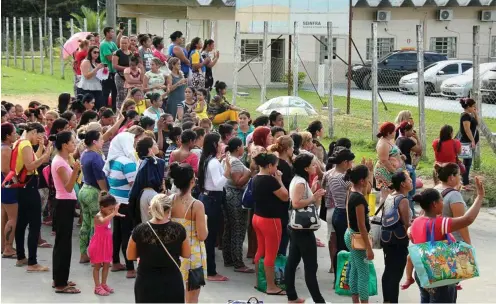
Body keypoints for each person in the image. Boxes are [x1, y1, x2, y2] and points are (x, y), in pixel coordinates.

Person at [409, 179, 484, 303]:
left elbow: (411, 234)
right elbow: (468, 219)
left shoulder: (416, 222)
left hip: (421, 272)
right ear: (434, 204)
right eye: (441, 201)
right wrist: (480, 197)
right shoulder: (438, 223)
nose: (443, 203)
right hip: (438, 273)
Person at [127, 194, 191, 303]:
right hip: (172, 280)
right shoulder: (179, 229)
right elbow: (186, 254)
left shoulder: (139, 230)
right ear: (169, 209)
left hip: (146, 281)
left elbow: (130, 256)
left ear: (151, 208)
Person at [285, 153, 327, 303]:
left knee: (292, 261)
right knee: (310, 266)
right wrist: (313, 197)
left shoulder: (300, 180)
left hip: (299, 227)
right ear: (306, 168)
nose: (316, 166)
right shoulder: (300, 182)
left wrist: (314, 194)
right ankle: (318, 300)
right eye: (313, 164)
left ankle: (292, 296)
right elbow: (296, 203)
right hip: (302, 229)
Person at [14, 122, 52, 271]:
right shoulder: (26, 145)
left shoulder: (19, 142)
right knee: (35, 224)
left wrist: (42, 149)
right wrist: (46, 156)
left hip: (23, 187)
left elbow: (32, 159)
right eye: (40, 136)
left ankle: (21, 257)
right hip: (29, 186)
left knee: (22, 222)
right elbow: (31, 166)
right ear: (34, 132)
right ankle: (32, 262)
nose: (39, 139)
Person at [251, 153, 289, 296]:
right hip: (270, 220)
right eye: (275, 165)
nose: (277, 168)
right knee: (271, 254)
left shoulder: (255, 178)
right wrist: (279, 180)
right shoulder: (270, 181)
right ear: (269, 166)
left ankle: (259, 282)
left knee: (260, 250)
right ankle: (271, 286)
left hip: (257, 217)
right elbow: (285, 197)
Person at [170, 163, 208, 303]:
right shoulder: (197, 205)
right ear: (192, 181)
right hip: (193, 254)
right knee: (192, 298)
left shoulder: (170, 200)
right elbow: (202, 235)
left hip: (175, 252)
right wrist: (205, 220)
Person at [49, 131, 81, 294]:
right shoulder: (60, 163)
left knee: (63, 242)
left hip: (65, 203)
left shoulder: (62, 159)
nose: (74, 144)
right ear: (64, 145)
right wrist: (75, 170)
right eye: (72, 142)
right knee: (63, 244)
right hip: (64, 203)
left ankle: (59, 278)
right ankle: (61, 283)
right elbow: (68, 187)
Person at [104, 131, 139, 278]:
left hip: (115, 200)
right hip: (125, 202)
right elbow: (133, 184)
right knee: (126, 234)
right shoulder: (127, 162)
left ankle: (116, 262)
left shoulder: (113, 160)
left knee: (117, 233)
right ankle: (130, 268)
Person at [198, 133, 231, 282]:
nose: (222, 144)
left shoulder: (210, 160)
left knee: (209, 237)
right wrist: (227, 172)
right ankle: (210, 271)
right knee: (210, 237)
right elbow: (218, 183)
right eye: (219, 142)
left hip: (208, 198)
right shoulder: (213, 163)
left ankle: (208, 269)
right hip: (212, 200)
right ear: (214, 145)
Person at [344, 164, 374, 304]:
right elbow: (362, 225)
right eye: (368, 178)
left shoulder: (351, 191)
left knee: (355, 270)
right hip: (357, 238)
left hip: (350, 234)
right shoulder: (359, 199)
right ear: (362, 181)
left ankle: (355, 300)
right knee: (363, 274)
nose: (369, 181)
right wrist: (368, 248)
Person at [222, 137, 253, 273]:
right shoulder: (234, 162)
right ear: (237, 148)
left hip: (229, 196)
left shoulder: (229, 159)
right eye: (241, 146)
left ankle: (229, 258)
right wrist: (250, 172)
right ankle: (238, 263)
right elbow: (238, 182)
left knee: (230, 228)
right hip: (235, 197)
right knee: (238, 230)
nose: (243, 148)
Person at [323, 147, 354, 277]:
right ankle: (343, 277)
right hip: (343, 212)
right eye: (351, 162)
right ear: (344, 162)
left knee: (339, 246)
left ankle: (338, 276)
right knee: (345, 247)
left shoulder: (330, 173)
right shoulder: (343, 178)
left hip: (336, 210)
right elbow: (360, 190)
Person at [381, 171, 412, 303]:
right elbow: (406, 224)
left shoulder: (390, 196)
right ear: (403, 184)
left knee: (388, 271)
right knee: (396, 273)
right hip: (399, 241)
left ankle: (386, 300)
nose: (411, 181)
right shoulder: (402, 200)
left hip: (387, 239)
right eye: (409, 179)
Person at [78, 130, 108, 263]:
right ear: (95, 142)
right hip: (94, 192)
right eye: (101, 139)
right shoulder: (95, 157)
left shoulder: (85, 153)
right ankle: (95, 256)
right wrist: (105, 192)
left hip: (84, 189)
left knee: (86, 223)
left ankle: (83, 253)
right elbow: (100, 177)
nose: (103, 141)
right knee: (96, 226)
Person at [88, 192, 123, 296]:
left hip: (107, 244)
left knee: (107, 265)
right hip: (98, 245)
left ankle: (103, 284)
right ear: (102, 208)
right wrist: (114, 213)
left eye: (113, 209)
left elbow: (108, 218)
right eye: (110, 209)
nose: (112, 211)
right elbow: (103, 221)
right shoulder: (98, 216)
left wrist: (114, 213)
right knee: (97, 266)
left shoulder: (107, 213)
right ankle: (97, 287)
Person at [128, 137, 165, 226]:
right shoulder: (152, 162)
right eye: (155, 144)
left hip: (143, 194)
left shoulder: (143, 162)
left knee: (146, 225)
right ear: (150, 149)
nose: (157, 145)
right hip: (151, 194)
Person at [268, 135, 294, 256]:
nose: (293, 150)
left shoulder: (275, 162)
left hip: (272, 203)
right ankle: (280, 262)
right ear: (287, 148)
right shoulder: (285, 166)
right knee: (283, 235)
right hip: (282, 203)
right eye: (292, 147)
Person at [396, 121, 422, 216]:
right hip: (408, 168)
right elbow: (419, 150)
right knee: (411, 193)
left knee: (403, 193)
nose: (412, 132)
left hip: (400, 167)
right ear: (406, 130)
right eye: (411, 130)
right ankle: (412, 215)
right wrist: (417, 138)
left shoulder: (398, 139)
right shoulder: (407, 140)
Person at [1, 123, 18, 259]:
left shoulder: (4, 147)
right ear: (7, 136)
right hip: (8, 186)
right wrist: (17, 180)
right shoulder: (6, 149)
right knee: (12, 217)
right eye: (14, 133)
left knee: (5, 215)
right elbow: (6, 169)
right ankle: (8, 247)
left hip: (4, 186)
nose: (16, 135)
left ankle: (4, 245)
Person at [375, 122, 405, 199]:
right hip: (385, 172)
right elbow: (384, 160)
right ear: (389, 133)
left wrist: (400, 157)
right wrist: (394, 172)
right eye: (394, 131)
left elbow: (392, 153)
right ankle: (386, 210)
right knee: (387, 195)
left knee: (393, 194)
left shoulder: (389, 140)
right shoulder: (383, 144)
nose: (395, 132)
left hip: (392, 171)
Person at [458, 98, 479, 190]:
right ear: (468, 106)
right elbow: (467, 130)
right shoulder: (465, 116)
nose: (475, 107)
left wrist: (475, 113)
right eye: (473, 106)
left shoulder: (469, 115)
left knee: (468, 162)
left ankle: (465, 179)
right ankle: (465, 183)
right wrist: (472, 140)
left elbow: (477, 123)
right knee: (466, 163)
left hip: (470, 142)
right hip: (466, 142)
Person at [100, 27, 118, 111]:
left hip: (114, 71)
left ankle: (114, 109)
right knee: (106, 92)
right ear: (107, 33)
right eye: (111, 32)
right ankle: (104, 109)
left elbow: (118, 54)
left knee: (115, 91)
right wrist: (116, 56)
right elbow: (110, 57)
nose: (113, 33)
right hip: (107, 71)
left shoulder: (112, 43)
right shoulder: (104, 44)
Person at [112, 36, 132, 111]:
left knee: (129, 94)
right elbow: (115, 66)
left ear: (128, 43)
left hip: (130, 76)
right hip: (120, 76)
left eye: (125, 43)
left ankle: (128, 110)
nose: (123, 45)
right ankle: (120, 111)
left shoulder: (131, 53)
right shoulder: (117, 53)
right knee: (121, 95)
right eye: (121, 43)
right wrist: (127, 69)